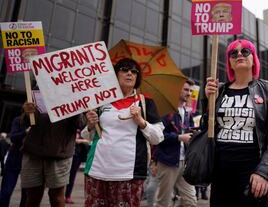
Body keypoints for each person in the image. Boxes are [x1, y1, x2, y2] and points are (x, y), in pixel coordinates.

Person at [204, 39, 268, 207]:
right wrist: (207, 102)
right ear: (230, 63)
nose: (239, 55)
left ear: (253, 58)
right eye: (234, 53)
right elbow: (207, 130)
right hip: (221, 173)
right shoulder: (219, 90)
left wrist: (264, 172)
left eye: (245, 51)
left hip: (253, 171)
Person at [82, 58, 164, 207]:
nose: (129, 73)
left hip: (129, 175)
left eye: (134, 71)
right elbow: (86, 136)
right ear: (115, 75)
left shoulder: (145, 102)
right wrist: (90, 124)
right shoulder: (100, 102)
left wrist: (141, 122)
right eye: (124, 70)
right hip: (96, 170)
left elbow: (158, 137)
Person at [20, 97, 85, 207]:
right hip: (34, 152)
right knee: (32, 196)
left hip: (60, 154)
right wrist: (27, 112)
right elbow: (26, 122)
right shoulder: (38, 89)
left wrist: (75, 108)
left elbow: (81, 124)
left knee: (56, 197)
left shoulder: (76, 91)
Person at [154, 79, 197, 207]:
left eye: (190, 90)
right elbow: (158, 136)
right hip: (168, 161)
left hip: (185, 162)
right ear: (177, 90)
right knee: (163, 202)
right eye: (185, 89)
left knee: (191, 201)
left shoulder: (188, 113)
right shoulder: (165, 110)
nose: (189, 93)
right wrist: (179, 137)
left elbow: (190, 132)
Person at [0, 114, 27, 207]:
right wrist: (25, 132)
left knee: (26, 195)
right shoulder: (18, 120)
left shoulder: (41, 123)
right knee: (6, 191)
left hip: (30, 161)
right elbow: (13, 137)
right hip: (14, 159)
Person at [64, 130, 90, 204]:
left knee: (72, 175)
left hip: (77, 154)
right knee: (63, 176)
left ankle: (67, 196)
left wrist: (80, 140)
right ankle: (62, 195)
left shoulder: (83, 126)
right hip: (65, 153)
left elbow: (89, 140)